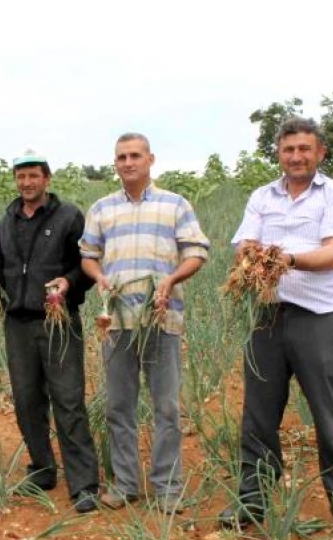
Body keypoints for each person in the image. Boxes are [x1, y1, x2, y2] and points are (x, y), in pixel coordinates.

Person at [220, 117, 333, 540]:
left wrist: (285, 260)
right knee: (258, 419)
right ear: (279, 154)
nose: (297, 156)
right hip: (268, 319)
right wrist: (255, 255)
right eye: (289, 150)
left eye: (305, 149)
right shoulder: (261, 196)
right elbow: (243, 245)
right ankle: (251, 503)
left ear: (320, 153)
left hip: (320, 321)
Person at [80, 133, 209, 512]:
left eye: (135, 155)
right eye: (121, 157)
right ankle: (125, 484)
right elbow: (88, 255)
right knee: (119, 406)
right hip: (117, 323)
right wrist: (99, 277)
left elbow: (197, 252)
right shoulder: (102, 208)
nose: (128, 162)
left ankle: (167, 488)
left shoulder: (175, 205)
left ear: (150, 159)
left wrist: (170, 279)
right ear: (115, 163)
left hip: (161, 319)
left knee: (166, 407)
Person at [0, 150, 100, 513]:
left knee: (68, 400)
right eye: (21, 176)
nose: (27, 183)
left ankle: (84, 484)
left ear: (47, 178)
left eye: (33, 176)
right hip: (18, 324)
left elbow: (85, 265)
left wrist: (68, 282)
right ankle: (43, 469)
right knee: (27, 401)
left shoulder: (68, 216)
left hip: (58, 320)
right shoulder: (7, 220)